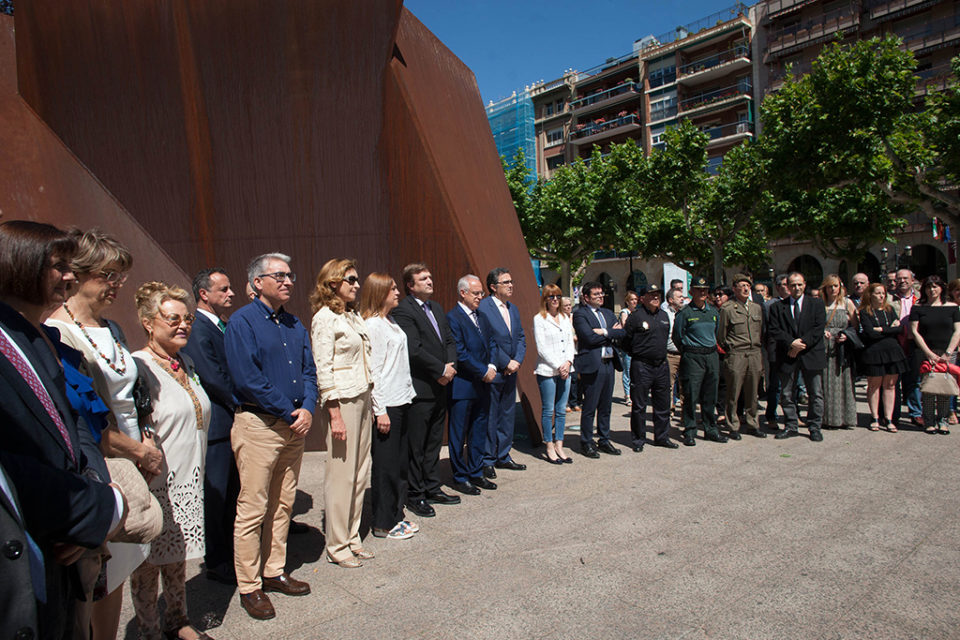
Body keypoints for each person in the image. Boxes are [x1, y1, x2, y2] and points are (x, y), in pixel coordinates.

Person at [0, 221, 124, 640]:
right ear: (19, 265)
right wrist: (91, 509)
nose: (71, 276)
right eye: (59, 266)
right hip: (30, 543)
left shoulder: (35, 341)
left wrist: (93, 488)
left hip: (67, 540)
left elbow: (74, 425)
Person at [44, 228, 156, 639]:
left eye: (120, 275)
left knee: (122, 567)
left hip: (134, 458)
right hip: (104, 462)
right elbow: (81, 419)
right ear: (78, 272)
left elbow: (135, 394)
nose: (117, 285)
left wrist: (145, 440)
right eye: (108, 275)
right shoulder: (58, 333)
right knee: (94, 579)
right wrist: (135, 451)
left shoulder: (112, 328)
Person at [224, 252, 316, 620]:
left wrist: (308, 407)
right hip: (260, 425)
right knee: (253, 508)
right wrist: (288, 411)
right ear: (257, 282)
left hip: (295, 425)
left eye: (290, 275)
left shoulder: (295, 324)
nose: (287, 281)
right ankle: (249, 587)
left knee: (282, 504)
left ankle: (274, 570)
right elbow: (247, 378)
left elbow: (310, 371)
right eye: (278, 275)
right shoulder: (242, 323)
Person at [129, 282, 212, 640]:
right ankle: (148, 631)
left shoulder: (186, 362)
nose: (183, 325)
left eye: (187, 318)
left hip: (188, 478)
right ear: (148, 322)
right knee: (147, 565)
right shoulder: (138, 366)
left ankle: (178, 620)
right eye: (172, 318)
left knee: (177, 557)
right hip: (155, 482)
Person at [311, 259, 378, 565]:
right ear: (332, 283)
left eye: (356, 278)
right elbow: (323, 368)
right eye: (349, 279)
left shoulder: (351, 316)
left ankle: (352, 536)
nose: (356, 284)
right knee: (341, 474)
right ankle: (337, 545)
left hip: (362, 395)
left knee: (360, 471)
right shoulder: (325, 318)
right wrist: (334, 412)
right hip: (343, 400)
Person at [180, 268, 240, 585]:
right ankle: (216, 560)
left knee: (232, 492)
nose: (231, 294)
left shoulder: (222, 326)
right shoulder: (197, 330)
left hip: (232, 420)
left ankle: (230, 552)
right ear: (204, 293)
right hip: (218, 425)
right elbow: (213, 376)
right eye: (224, 289)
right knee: (217, 494)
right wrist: (242, 403)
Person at [392, 263, 461, 517]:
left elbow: (449, 341)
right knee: (416, 444)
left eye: (430, 277)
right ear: (410, 285)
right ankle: (415, 493)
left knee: (434, 442)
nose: (430, 281)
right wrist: (440, 370)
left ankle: (433, 486)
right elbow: (413, 349)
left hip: (442, 385)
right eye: (423, 278)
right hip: (421, 388)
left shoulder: (437, 308)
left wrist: (450, 367)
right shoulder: (403, 311)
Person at [358, 272, 419, 540]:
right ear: (380, 292)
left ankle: (396, 514)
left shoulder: (390, 321)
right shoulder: (373, 325)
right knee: (385, 465)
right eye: (392, 288)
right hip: (388, 405)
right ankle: (383, 522)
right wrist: (379, 410)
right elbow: (375, 371)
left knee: (398, 463)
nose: (397, 292)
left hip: (402, 399)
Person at [446, 275, 503, 492]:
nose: (481, 297)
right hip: (463, 385)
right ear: (463, 293)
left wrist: (492, 367)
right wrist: (482, 371)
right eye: (476, 293)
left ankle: (476, 471)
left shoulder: (482, 316)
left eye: (481, 293)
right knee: (459, 433)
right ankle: (460, 477)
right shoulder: (453, 318)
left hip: (483, 384)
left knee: (479, 429)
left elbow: (492, 343)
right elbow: (459, 351)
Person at [477, 267, 527, 473]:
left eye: (511, 281)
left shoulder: (513, 308)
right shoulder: (484, 307)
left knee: (507, 414)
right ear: (493, 287)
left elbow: (521, 338)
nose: (510, 285)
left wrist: (516, 361)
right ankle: (487, 459)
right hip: (494, 370)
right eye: (506, 282)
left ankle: (503, 454)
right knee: (490, 415)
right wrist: (506, 362)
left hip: (511, 371)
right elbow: (487, 340)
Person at [768, 272, 827, 441]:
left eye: (799, 284)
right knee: (786, 394)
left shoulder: (816, 304)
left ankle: (815, 427)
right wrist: (791, 343)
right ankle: (791, 425)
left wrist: (800, 344)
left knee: (815, 393)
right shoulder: (777, 307)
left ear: (805, 284)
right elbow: (774, 330)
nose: (797, 288)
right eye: (793, 285)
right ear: (787, 286)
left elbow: (818, 328)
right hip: (787, 355)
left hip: (811, 354)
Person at [623, 284, 677, 452]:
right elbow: (626, 342)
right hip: (642, 366)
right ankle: (639, 439)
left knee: (662, 404)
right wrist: (639, 356)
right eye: (651, 294)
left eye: (658, 295)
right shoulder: (635, 317)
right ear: (642, 298)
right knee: (639, 405)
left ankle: (662, 437)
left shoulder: (664, 315)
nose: (656, 297)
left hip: (661, 365)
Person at [573, 280, 625, 457]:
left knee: (606, 405)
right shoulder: (581, 315)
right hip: (592, 365)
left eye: (601, 293)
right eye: (596, 294)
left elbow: (622, 332)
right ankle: (586, 442)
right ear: (586, 297)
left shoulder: (608, 313)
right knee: (590, 406)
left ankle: (604, 439)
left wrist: (603, 332)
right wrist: (611, 332)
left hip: (609, 363)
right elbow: (588, 338)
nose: (600, 296)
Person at [673, 276, 725, 446]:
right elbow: (677, 337)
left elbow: (716, 333)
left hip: (711, 356)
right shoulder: (685, 313)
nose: (702, 293)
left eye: (705, 290)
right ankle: (690, 430)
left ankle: (711, 429)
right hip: (692, 357)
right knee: (691, 395)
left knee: (710, 395)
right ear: (691, 292)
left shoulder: (713, 312)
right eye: (698, 290)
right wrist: (689, 351)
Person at [717, 274, 765, 439]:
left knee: (752, 392)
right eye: (742, 285)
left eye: (748, 286)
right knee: (733, 392)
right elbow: (721, 335)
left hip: (754, 353)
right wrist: (731, 349)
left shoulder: (756, 308)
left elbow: (761, 331)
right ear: (734, 288)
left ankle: (752, 423)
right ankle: (733, 425)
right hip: (736, 353)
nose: (745, 288)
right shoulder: (728, 308)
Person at [910, 276, 960, 434]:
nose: (932, 290)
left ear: (941, 288)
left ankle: (943, 420)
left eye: (935, 287)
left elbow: (958, 330)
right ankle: (929, 421)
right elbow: (914, 331)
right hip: (925, 352)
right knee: (929, 387)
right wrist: (929, 353)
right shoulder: (918, 307)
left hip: (947, 353)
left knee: (944, 387)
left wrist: (948, 352)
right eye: (928, 287)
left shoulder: (952, 307)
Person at [533, 284, 576, 463]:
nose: (555, 300)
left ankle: (559, 443)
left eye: (558, 296)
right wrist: (559, 365)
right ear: (545, 299)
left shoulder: (565, 318)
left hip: (566, 370)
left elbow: (569, 343)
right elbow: (541, 347)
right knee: (548, 409)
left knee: (561, 410)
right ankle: (549, 445)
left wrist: (568, 362)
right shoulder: (539, 319)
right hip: (548, 371)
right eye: (551, 297)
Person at [859, 283, 907, 431]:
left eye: (883, 293)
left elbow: (899, 329)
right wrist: (889, 329)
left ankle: (889, 418)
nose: (881, 296)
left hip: (892, 351)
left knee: (891, 385)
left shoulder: (889, 309)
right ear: (870, 294)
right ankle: (875, 417)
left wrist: (881, 329)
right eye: (878, 293)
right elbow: (869, 333)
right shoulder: (865, 312)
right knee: (874, 385)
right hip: (874, 352)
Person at [820, 275, 858, 429]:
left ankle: (846, 418)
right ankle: (829, 419)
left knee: (844, 382)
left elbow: (855, 326)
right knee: (826, 383)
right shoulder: (820, 303)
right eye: (830, 286)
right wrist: (822, 331)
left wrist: (845, 335)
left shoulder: (847, 303)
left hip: (841, 347)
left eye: (836, 286)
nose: (833, 289)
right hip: (825, 346)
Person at [890, 269, 922, 426]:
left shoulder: (921, 298)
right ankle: (893, 415)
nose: (902, 281)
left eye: (905, 278)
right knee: (894, 382)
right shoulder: (889, 298)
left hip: (914, 343)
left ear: (912, 280)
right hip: (895, 343)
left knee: (914, 380)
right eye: (899, 278)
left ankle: (916, 413)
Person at [663, 287, 684, 411]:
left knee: (685, 386)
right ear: (671, 300)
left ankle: (685, 416)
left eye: (682, 297)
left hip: (685, 354)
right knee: (668, 386)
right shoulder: (665, 314)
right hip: (670, 355)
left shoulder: (686, 312)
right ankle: (668, 411)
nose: (682, 299)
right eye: (679, 297)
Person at [618, 291, 638, 404]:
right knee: (628, 370)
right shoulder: (624, 312)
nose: (634, 301)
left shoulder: (638, 312)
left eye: (635, 299)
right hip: (627, 346)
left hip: (637, 346)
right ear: (627, 301)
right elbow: (626, 326)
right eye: (632, 299)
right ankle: (628, 395)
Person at [563, 296, 583, 413]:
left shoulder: (575, 317)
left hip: (577, 351)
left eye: (570, 305)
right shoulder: (561, 319)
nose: (569, 307)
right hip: (567, 353)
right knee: (568, 378)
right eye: (566, 305)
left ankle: (574, 401)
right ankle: (566, 403)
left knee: (576, 379)